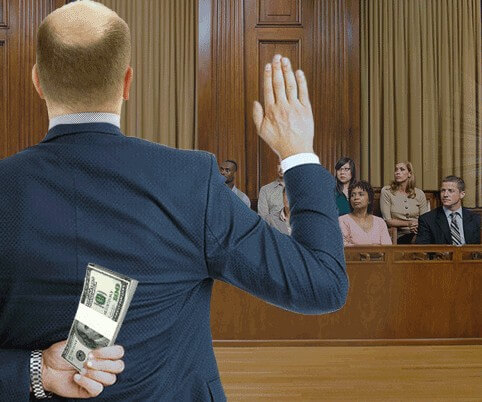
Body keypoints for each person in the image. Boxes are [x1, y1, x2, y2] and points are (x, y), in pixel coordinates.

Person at [0, 2, 348, 400]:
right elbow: (321, 284)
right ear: (128, 82)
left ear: (38, 81)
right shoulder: (190, 182)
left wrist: (31, 371)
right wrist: (299, 156)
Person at [416, 176, 481, 245]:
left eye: (450, 191)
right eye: (443, 190)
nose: (445, 195)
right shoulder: (427, 220)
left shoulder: (475, 218)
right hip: (440, 255)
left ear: (462, 194)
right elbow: (422, 252)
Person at [380, 161, 429, 244]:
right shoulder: (387, 191)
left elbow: (425, 219)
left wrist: (417, 226)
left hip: (418, 232)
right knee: (420, 240)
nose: (397, 172)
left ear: (409, 174)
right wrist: (409, 224)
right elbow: (387, 220)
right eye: (396, 170)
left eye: (402, 170)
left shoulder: (419, 193)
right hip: (398, 235)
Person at [339, 181, 392, 246]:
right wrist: (371, 247)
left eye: (361, 194)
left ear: (369, 199)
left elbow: (387, 248)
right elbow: (343, 246)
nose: (356, 198)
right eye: (352, 195)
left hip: (379, 256)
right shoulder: (343, 220)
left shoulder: (380, 222)